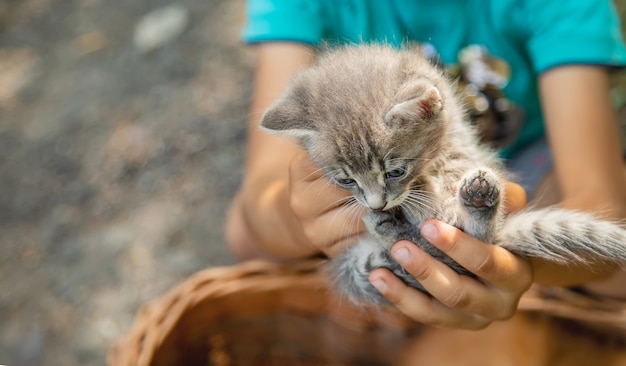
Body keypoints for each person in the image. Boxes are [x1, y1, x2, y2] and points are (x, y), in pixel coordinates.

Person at [226, 0, 626, 329]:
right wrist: (307, 218)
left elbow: (600, 201)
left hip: (526, 157)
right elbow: (261, 199)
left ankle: (475, 247)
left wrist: (508, 270)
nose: (377, 201)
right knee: (249, 235)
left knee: (615, 272)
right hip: (386, 184)